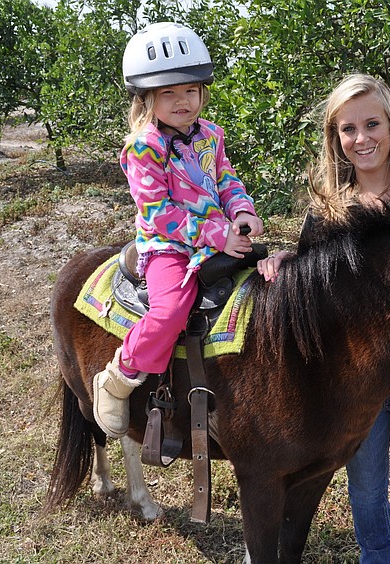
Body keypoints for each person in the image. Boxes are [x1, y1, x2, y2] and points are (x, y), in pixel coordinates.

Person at [256, 74, 390, 563]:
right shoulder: (329, 214)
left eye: (372, 123)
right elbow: (312, 300)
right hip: (354, 395)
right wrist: (288, 264)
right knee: (367, 506)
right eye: (348, 129)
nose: (362, 138)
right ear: (336, 139)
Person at [93, 22, 263, 439]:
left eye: (190, 90)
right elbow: (157, 212)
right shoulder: (142, 147)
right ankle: (119, 376)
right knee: (170, 311)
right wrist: (215, 234)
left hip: (218, 235)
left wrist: (242, 211)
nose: (182, 101)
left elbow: (226, 180)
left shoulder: (211, 135)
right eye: (168, 93)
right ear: (147, 98)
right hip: (168, 246)